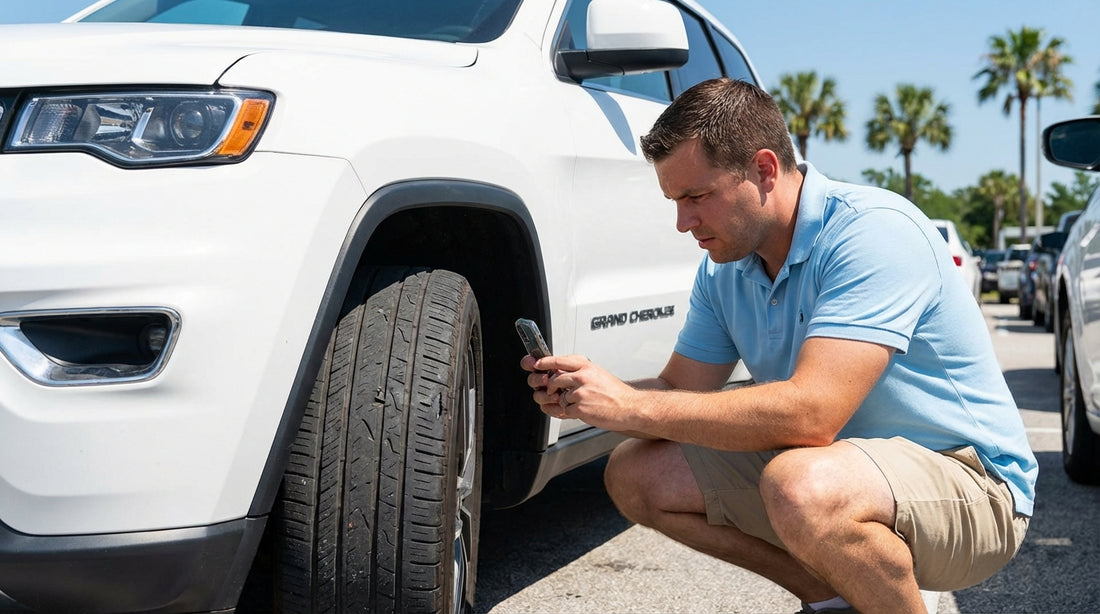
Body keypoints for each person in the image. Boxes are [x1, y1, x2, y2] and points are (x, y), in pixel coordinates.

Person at [521, 78, 1035, 614]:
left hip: (973, 485)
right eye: (675, 201)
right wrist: (589, 394)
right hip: (839, 474)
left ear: (764, 169)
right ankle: (834, 599)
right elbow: (678, 390)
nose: (683, 222)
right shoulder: (725, 271)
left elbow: (813, 415)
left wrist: (630, 405)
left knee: (800, 484)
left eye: (696, 197)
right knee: (637, 473)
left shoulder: (873, 233)